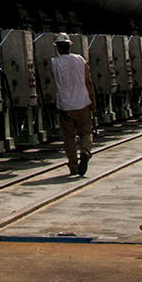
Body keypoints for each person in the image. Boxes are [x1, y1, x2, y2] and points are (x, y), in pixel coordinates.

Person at [49, 35, 96, 176]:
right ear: (70, 46)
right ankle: (85, 152)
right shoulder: (80, 60)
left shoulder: (54, 62)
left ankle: (73, 166)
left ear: (57, 47)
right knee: (85, 133)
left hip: (65, 106)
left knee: (69, 138)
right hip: (83, 103)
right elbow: (88, 81)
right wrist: (92, 100)